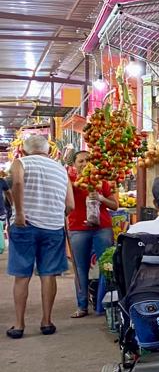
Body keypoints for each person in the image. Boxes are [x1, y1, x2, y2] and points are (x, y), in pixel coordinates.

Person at [6, 135, 74, 339]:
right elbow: (70, 205)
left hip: (25, 226)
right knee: (48, 274)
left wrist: (19, 213)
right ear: (48, 150)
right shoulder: (61, 170)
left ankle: (19, 325)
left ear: (24, 150)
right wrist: (55, 215)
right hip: (53, 228)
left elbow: (17, 183)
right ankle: (47, 322)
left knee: (22, 276)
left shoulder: (20, 163)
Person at [67, 150, 118, 318]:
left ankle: (102, 305)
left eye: (87, 160)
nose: (84, 164)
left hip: (102, 228)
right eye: (80, 161)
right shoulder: (71, 183)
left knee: (106, 266)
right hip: (78, 229)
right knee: (80, 268)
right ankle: (82, 306)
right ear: (74, 165)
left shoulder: (102, 182)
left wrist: (102, 198)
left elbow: (115, 205)